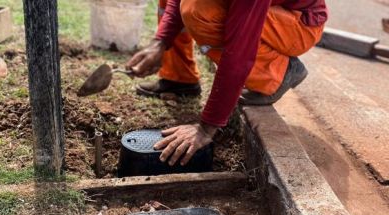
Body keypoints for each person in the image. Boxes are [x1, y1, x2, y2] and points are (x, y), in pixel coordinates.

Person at [126, 0, 328, 167]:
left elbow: (239, 52)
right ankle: (178, 78)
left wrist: (206, 128)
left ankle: (278, 74)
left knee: (200, 12)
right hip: (268, 10)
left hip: (300, 23)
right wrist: (160, 42)